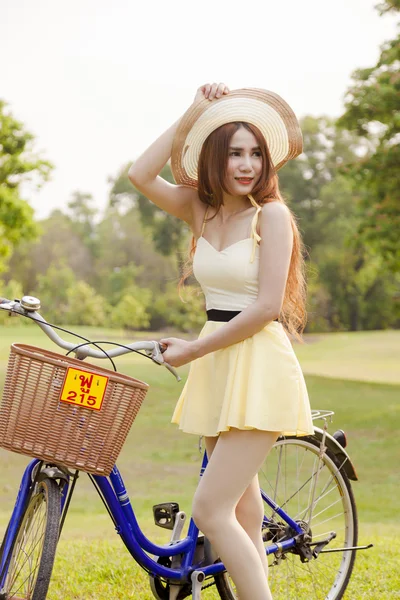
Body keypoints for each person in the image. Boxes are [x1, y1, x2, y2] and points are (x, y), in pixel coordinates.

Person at [128, 83, 314, 600]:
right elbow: (140, 175)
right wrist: (194, 112)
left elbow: (267, 308)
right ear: (216, 156)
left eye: (256, 154)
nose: (247, 164)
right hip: (219, 363)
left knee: (211, 510)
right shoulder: (201, 210)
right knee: (242, 510)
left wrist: (190, 349)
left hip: (259, 363)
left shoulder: (271, 216)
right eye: (235, 153)